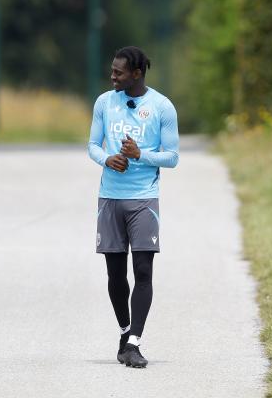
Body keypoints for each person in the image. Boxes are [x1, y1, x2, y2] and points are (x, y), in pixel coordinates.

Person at [88, 46, 180, 369]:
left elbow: (172, 157)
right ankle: (124, 333)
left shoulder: (161, 107)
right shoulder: (104, 102)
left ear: (137, 74)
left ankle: (135, 342)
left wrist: (141, 155)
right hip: (110, 198)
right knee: (115, 274)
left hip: (144, 198)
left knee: (142, 270)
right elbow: (92, 146)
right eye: (112, 70)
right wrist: (107, 158)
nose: (112, 76)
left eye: (119, 72)